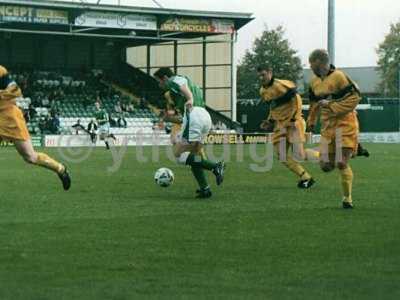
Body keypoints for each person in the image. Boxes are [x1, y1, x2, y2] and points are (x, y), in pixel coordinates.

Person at [153, 67, 225, 199]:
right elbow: (182, 116)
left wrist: (190, 98)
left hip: (194, 117)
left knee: (177, 154)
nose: (160, 85)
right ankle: (205, 189)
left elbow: (181, 84)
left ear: (164, 78)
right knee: (194, 157)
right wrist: (168, 118)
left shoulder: (175, 80)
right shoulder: (189, 86)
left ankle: (215, 166)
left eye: (159, 81)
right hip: (204, 117)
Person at [0, 65, 70, 190]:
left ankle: (60, 169)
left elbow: (16, 90)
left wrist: (1, 94)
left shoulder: (1, 71)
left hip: (10, 117)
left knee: (30, 156)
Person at [307, 49, 360, 209]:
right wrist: (311, 120)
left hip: (345, 124)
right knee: (326, 166)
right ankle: (310, 153)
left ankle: (347, 199)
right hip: (327, 127)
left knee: (341, 162)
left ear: (321, 62)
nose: (310, 67)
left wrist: (331, 105)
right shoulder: (313, 82)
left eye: (312, 64)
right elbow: (314, 103)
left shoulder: (339, 77)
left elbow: (354, 98)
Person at [257, 65, 316, 189]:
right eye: (259, 75)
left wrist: (294, 118)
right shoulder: (262, 91)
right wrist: (270, 121)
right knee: (281, 155)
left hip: (293, 123)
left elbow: (297, 99)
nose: (261, 77)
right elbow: (273, 107)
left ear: (270, 72)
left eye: (263, 74)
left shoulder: (281, 84)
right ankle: (306, 177)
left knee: (299, 155)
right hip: (279, 125)